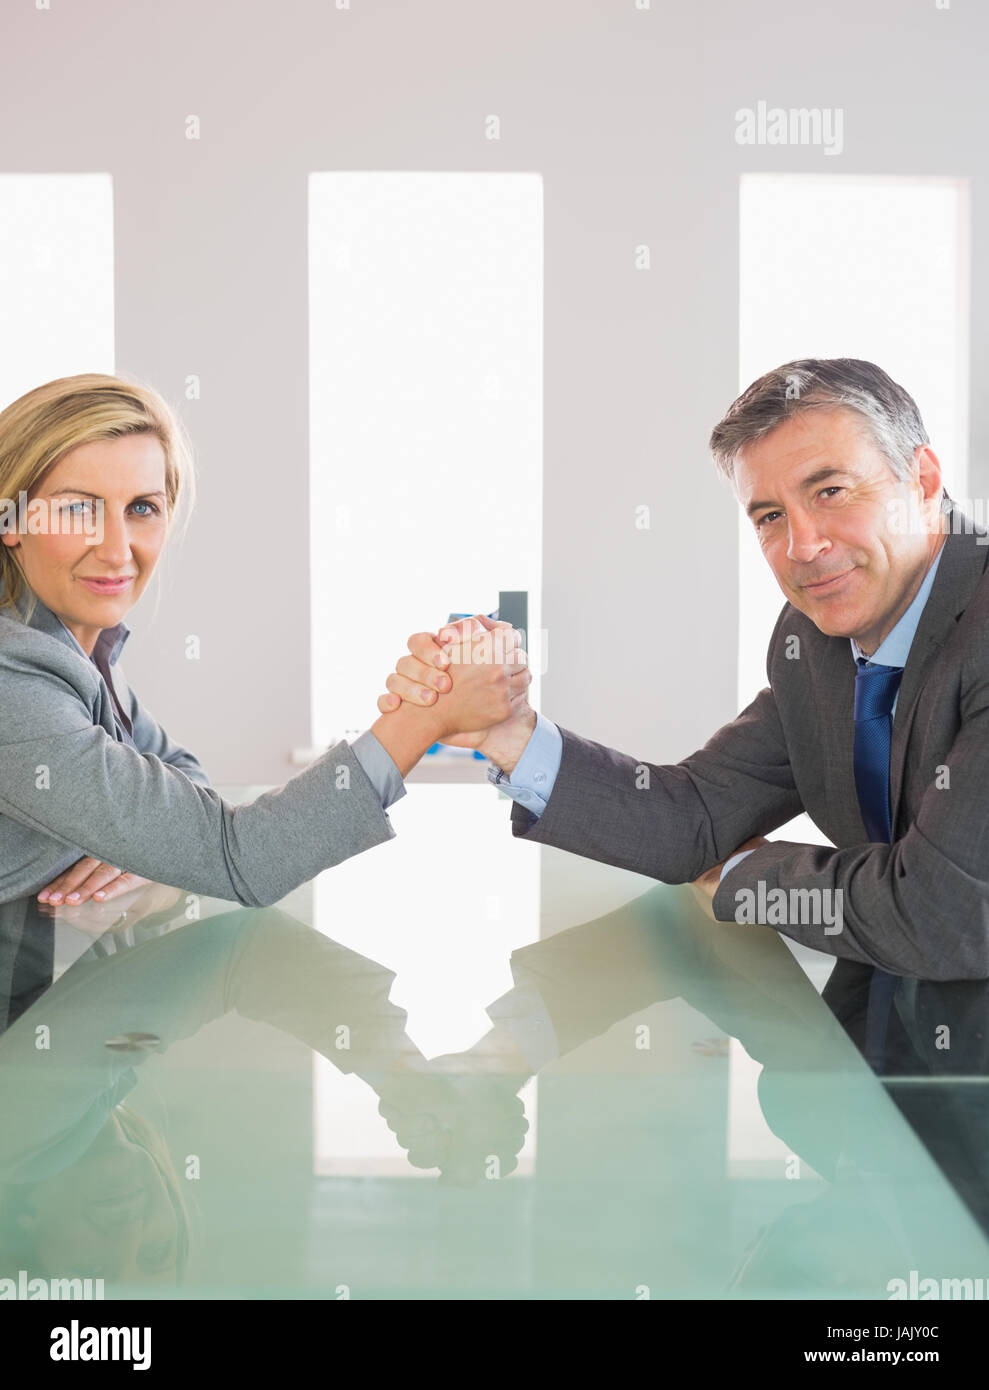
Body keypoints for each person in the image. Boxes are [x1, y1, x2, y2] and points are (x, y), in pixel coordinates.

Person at [374, 358, 989, 1075]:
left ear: (919, 480)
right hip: (891, 1054)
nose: (803, 546)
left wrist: (745, 875)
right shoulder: (811, 642)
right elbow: (693, 815)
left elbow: (940, 918)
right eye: (769, 516)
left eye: (830, 490)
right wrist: (509, 737)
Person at [0, 373, 531, 909]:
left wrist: (139, 846)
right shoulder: (13, 678)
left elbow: (191, 782)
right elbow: (242, 855)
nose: (117, 550)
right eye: (77, 509)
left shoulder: (81, 650)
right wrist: (427, 717)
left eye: (141, 508)